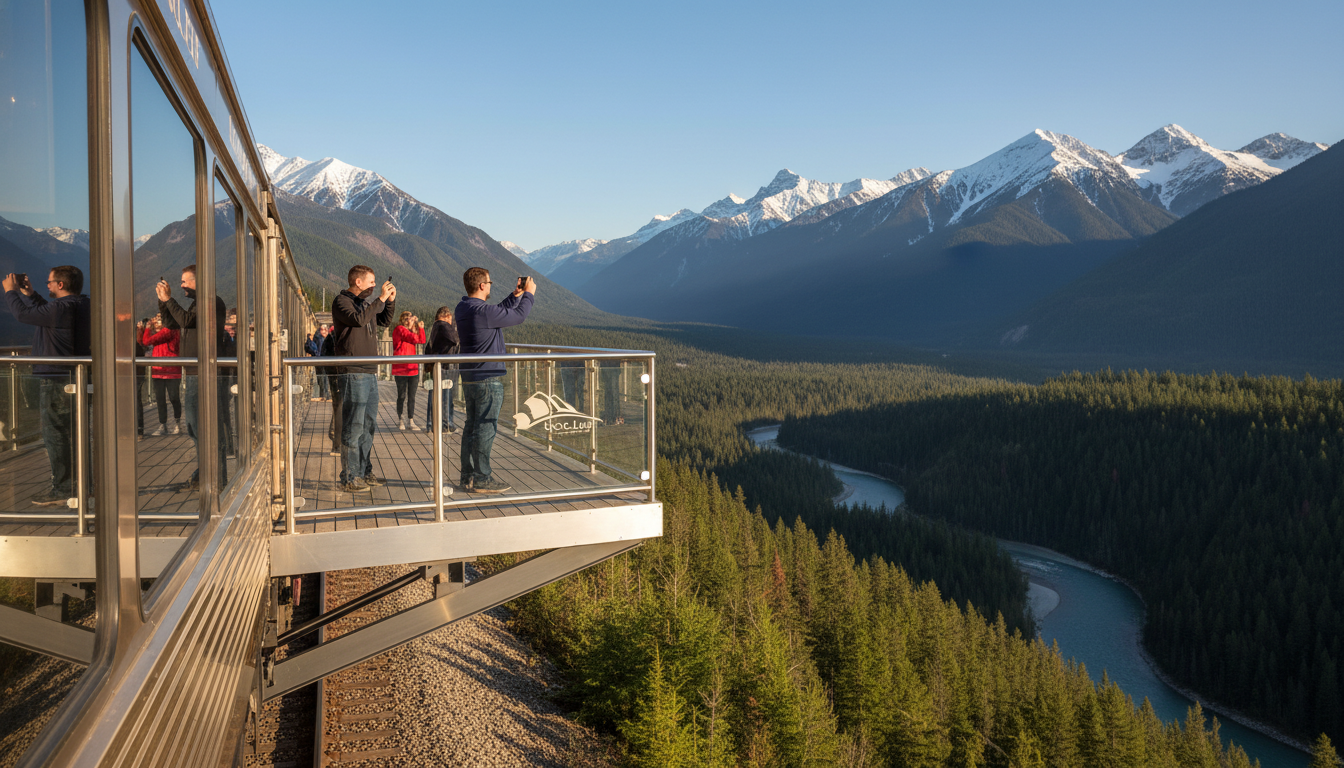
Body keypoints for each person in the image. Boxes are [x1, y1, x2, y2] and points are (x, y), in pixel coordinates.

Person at [3, 267, 92, 506]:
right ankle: (85, 485)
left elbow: (23, 315)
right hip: (78, 378)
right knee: (77, 434)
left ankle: (63, 487)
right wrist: (31, 294)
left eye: (50, 282)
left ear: (60, 285)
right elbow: (47, 312)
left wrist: (11, 292)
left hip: (56, 380)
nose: (48, 286)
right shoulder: (82, 304)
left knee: (56, 434)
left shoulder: (61, 308)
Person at [455, 268, 533, 493]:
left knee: (471, 426)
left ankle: (467, 475)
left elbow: (497, 311)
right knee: (485, 428)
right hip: (487, 378)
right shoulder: (482, 312)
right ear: (482, 286)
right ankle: (482, 478)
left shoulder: (464, 307)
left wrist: (514, 295)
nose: (491, 286)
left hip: (470, 376)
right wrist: (529, 295)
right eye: (489, 282)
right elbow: (518, 316)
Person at [157, 264, 228, 490]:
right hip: (195, 373)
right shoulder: (199, 304)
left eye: (185, 281)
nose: (181, 285)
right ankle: (205, 473)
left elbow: (187, 321)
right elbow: (172, 323)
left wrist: (169, 300)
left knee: (202, 427)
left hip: (203, 373)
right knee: (194, 427)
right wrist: (163, 300)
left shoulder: (211, 302)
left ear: (199, 281)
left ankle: (213, 476)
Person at [331, 265, 395, 492]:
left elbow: (383, 321)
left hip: (369, 372)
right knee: (354, 425)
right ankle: (349, 476)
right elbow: (358, 320)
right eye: (371, 281)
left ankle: (365, 471)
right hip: (353, 371)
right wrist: (380, 299)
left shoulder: (365, 305)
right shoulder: (342, 302)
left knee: (368, 426)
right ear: (358, 282)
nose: (374, 285)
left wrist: (389, 302)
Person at [141, 314, 183, 436]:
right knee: (160, 399)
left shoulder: (169, 331)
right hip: (158, 370)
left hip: (172, 371)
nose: (157, 321)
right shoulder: (159, 334)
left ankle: (177, 423)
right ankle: (164, 424)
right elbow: (142, 342)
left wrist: (148, 327)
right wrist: (141, 330)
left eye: (160, 319)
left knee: (174, 397)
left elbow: (146, 341)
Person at [423, 306, 459, 433]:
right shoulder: (443, 325)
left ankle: (431, 423)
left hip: (436, 366)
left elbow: (429, 347)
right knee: (446, 397)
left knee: (434, 396)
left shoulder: (435, 327)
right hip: (445, 367)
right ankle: (446, 423)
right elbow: (454, 339)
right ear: (447, 316)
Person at [391, 311, 426, 431]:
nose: (409, 321)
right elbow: (414, 339)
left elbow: (422, 340)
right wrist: (416, 327)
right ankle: (401, 419)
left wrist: (419, 328)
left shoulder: (411, 330)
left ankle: (411, 420)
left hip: (412, 368)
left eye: (410, 319)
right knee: (401, 395)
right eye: (407, 319)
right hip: (401, 369)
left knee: (412, 396)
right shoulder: (399, 329)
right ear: (402, 321)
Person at [321, 329, 341, 457]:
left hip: (333, 375)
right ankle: (337, 440)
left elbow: (323, 355)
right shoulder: (335, 337)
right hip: (339, 375)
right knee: (340, 406)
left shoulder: (330, 337)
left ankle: (336, 440)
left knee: (338, 405)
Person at [314, 325, 331, 401]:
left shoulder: (328, 338)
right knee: (321, 378)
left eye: (325, 329)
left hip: (327, 360)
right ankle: (323, 394)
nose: (324, 331)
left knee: (326, 378)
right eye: (322, 329)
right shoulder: (318, 338)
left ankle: (326, 394)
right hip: (320, 360)